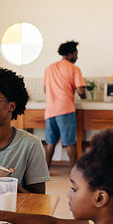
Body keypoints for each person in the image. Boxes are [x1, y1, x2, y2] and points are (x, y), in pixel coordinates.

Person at [44, 40, 87, 169]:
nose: (77, 57)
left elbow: (45, 90)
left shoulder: (49, 68)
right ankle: (76, 171)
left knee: (50, 143)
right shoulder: (74, 69)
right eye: (76, 54)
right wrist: (83, 96)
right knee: (69, 143)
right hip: (65, 110)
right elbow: (81, 90)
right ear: (70, 54)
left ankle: (45, 171)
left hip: (50, 110)